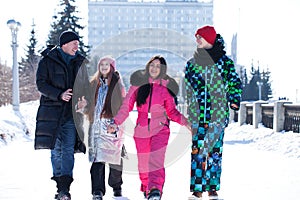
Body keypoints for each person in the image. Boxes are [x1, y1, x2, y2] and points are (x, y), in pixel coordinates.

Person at [110, 55, 191, 200]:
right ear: (148, 66)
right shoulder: (138, 85)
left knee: (156, 160)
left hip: (160, 129)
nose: (154, 68)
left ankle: (155, 189)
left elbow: (172, 111)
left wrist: (186, 122)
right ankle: (148, 188)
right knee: (143, 165)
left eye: (158, 66)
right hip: (141, 129)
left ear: (162, 70)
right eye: (152, 65)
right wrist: (115, 122)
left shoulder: (166, 87)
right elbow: (126, 106)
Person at [184, 25, 242, 199]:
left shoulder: (225, 63)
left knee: (215, 152)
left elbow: (234, 82)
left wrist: (234, 99)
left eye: (200, 37)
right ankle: (197, 189)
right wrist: (194, 104)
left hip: (217, 115)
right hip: (198, 115)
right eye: (196, 38)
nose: (197, 40)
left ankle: (212, 187)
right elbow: (189, 87)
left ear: (209, 39)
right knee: (198, 151)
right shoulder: (192, 64)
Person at [34, 30, 90, 200]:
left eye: (78, 44)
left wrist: (83, 101)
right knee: (55, 150)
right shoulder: (48, 60)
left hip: (72, 115)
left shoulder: (80, 62)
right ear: (64, 44)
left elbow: (85, 86)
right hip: (52, 113)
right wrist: (59, 94)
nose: (77, 46)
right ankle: (60, 185)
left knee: (67, 149)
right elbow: (41, 84)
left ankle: (64, 188)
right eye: (74, 43)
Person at [76, 56, 126, 200]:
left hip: (112, 127)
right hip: (96, 127)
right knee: (97, 161)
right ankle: (97, 191)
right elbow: (88, 106)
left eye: (107, 64)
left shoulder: (118, 85)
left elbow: (123, 107)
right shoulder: (93, 84)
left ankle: (117, 186)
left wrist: (116, 124)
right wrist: (82, 106)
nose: (104, 67)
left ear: (112, 67)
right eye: (101, 64)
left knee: (115, 160)